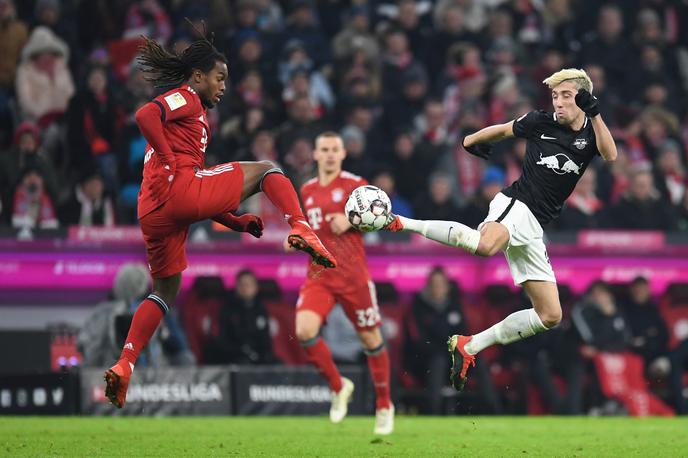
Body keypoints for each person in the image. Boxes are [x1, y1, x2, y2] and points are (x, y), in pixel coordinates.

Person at [104, 25, 336, 409]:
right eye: (220, 77)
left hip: (154, 211)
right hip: (176, 189)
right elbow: (146, 115)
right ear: (198, 76)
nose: (223, 86)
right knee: (266, 170)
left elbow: (199, 194)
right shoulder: (188, 99)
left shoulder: (194, 121)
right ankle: (301, 226)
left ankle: (126, 362)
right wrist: (165, 157)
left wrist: (236, 221)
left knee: (165, 291)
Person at [384, 68, 617, 391]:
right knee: (484, 246)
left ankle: (470, 345)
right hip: (516, 204)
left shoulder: (591, 133)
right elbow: (505, 129)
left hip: (535, 225)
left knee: (550, 315)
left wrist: (596, 114)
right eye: (555, 96)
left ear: (582, 98)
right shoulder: (540, 121)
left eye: (566, 96)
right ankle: (401, 222)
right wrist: (472, 140)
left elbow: (610, 154)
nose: (558, 103)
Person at [284, 131, 394, 435]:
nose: (330, 154)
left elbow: (384, 213)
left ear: (343, 153)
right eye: (325, 149)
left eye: (335, 149)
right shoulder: (305, 190)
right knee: (304, 330)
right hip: (319, 276)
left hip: (353, 276)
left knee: (371, 340)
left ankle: (384, 404)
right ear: (315, 155)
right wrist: (296, 240)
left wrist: (352, 220)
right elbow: (304, 229)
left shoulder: (355, 186)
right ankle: (338, 385)